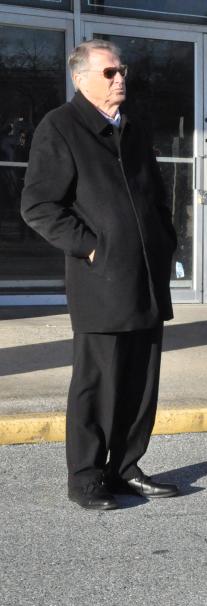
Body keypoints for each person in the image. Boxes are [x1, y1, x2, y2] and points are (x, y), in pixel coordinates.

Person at [20, 40, 179, 510]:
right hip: (103, 282)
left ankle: (126, 468)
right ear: (80, 78)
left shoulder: (131, 128)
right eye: (109, 72)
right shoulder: (62, 127)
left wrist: (164, 240)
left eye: (121, 70)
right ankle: (86, 478)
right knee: (97, 385)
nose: (119, 78)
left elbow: (154, 197)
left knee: (140, 382)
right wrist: (91, 247)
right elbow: (38, 206)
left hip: (146, 278)